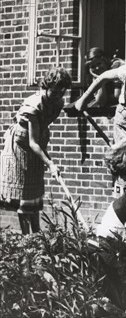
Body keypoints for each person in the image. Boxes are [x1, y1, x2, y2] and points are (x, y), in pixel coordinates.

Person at [0, 67, 72, 234]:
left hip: (37, 141)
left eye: (62, 92)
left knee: (36, 191)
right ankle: (28, 239)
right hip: (21, 145)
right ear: (46, 86)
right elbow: (32, 142)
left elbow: (41, 133)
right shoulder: (33, 106)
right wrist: (50, 163)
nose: (59, 96)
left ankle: (38, 234)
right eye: (55, 91)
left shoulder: (58, 103)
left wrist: (46, 158)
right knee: (26, 192)